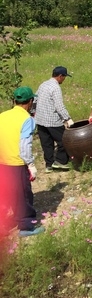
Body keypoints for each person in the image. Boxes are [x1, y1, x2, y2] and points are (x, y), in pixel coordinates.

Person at [0, 86, 45, 237]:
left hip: (2, 162)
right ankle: (26, 226)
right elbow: (25, 146)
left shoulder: (3, 115)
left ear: (15, 100)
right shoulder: (27, 119)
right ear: (30, 101)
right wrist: (31, 165)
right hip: (16, 163)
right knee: (23, 195)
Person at [35, 66, 74, 173]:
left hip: (40, 120)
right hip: (52, 121)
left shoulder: (43, 84)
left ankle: (49, 165)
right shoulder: (55, 88)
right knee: (64, 141)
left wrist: (34, 113)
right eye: (64, 77)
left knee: (46, 144)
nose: (64, 79)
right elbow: (59, 106)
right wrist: (68, 119)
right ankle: (60, 162)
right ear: (60, 76)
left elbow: (34, 99)